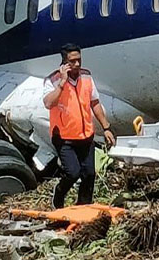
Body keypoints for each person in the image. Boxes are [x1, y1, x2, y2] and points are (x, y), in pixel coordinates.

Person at [43, 43, 116, 209]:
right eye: (72, 61)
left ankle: (84, 206)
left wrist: (106, 127)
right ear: (64, 62)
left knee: (89, 173)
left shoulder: (86, 78)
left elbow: (94, 103)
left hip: (86, 135)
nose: (77, 64)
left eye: (79, 60)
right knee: (72, 173)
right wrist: (62, 82)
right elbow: (48, 103)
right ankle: (58, 197)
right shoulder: (53, 80)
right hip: (64, 137)